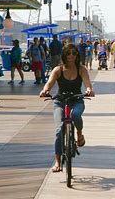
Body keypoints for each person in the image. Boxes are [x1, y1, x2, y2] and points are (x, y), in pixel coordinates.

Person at [39, 44, 95, 173]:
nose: (71, 56)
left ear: (77, 55)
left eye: (74, 53)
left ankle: (79, 134)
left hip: (76, 100)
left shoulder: (81, 69)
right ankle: (58, 162)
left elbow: (87, 83)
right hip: (60, 101)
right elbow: (49, 83)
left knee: (75, 115)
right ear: (64, 55)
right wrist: (44, 90)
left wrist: (89, 90)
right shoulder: (58, 69)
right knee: (59, 131)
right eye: (68, 53)